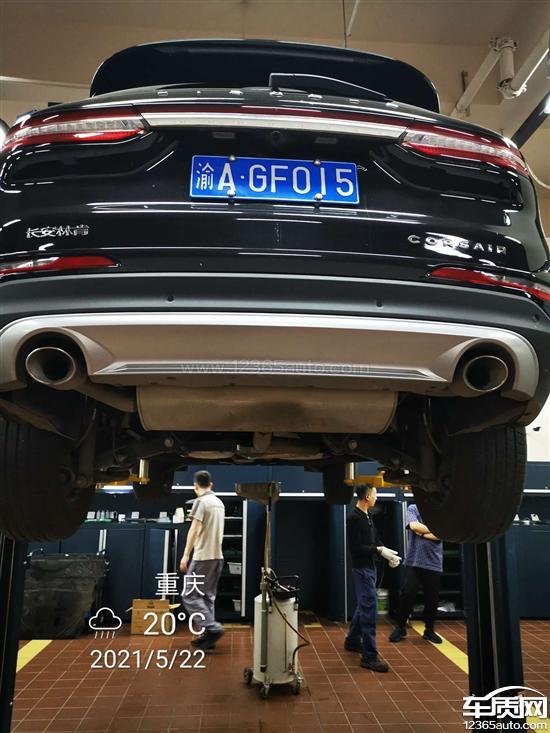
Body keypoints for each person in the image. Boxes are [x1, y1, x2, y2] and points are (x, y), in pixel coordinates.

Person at [345, 484, 401, 672]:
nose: (377, 497)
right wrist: (378, 550)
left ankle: (353, 641)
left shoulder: (367, 516)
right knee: (369, 609)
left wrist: (387, 553)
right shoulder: (354, 518)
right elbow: (356, 548)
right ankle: (369, 656)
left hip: (370, 568)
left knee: (364, 605)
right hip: (362, 570)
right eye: (375, 494)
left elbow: (375, 540)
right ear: (367, 496)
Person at [179, 470, 225, 650]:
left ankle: (213, 628)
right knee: (207, 597)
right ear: (211, 485)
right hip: (217, 557)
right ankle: (208, 636)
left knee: (189, 595)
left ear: (195, 486)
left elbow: (194, 529)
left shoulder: (201, 502)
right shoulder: (219, 503)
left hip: (202, 557)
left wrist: (185, 555)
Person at [389, 503, 443, 644]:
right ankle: (400, 628)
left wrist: (422, 532)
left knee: (432, 598)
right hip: (414, 561)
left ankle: (429, 630)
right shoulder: (413, 508)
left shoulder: (439, 510)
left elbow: (441, 534)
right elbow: (413, 526)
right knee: (407, 593)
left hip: (434, 562)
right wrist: (433, 531)